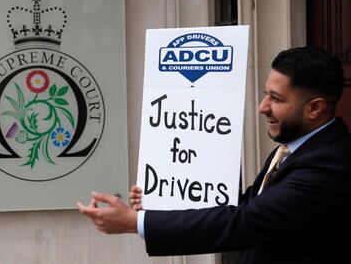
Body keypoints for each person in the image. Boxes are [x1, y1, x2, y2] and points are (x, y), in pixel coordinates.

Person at [78, 46, 351, 264]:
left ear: (314, 108)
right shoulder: (294, 147)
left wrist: (134, 222)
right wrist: (161, 200)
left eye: (276, 99)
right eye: (265, 94)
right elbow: (246, 204)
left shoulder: (330, 163)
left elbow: (245, 221)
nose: (262, 107)